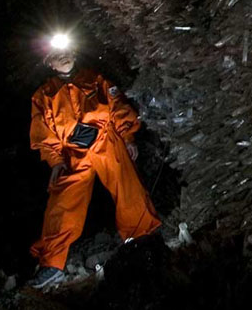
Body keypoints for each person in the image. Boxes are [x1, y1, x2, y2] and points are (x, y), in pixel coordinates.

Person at [27, 33, 161, 288]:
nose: (63, 57)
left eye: (66, 52)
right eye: (56, 55)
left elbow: (117, 105)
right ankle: (52, 264)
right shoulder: (44, 95)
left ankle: (143, 240)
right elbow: (43, 133)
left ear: (74, 53)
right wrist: (56, 161)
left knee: (128, 190)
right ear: (49, 62)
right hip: (73, 153)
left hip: (106, 141)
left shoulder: (95, 79)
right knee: (62, 205)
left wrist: (128, 137)